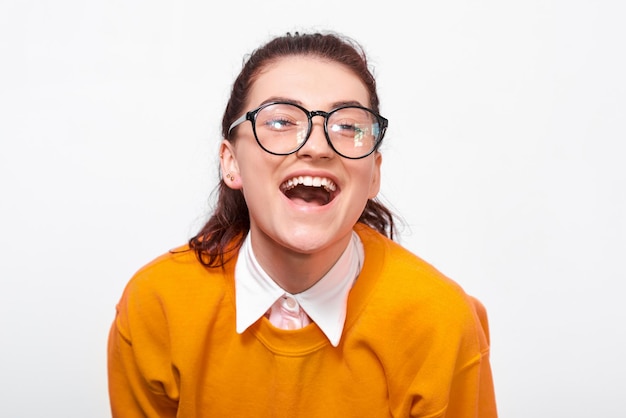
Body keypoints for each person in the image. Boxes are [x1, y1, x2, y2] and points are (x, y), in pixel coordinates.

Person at [107, 31, 498, 417]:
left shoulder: (439, 322)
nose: (317, 146)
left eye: (348, 126)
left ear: (374, 173)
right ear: (231, 162)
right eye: (280, 121)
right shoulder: (156, 306)